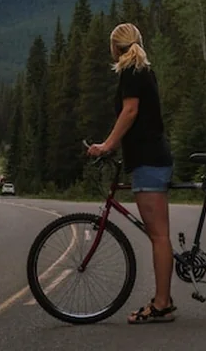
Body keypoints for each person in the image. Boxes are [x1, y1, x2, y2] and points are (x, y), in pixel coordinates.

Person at [87, 22, 176, 324]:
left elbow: (130, 111)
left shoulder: (132, 72)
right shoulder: (140, 70)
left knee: (159, 237)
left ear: (115, 47)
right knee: (159, 235)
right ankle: (164, 299)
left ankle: (162, 304)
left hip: (149, 160)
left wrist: (108, 145)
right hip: (149, 159)